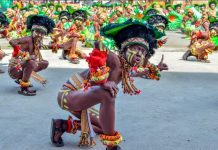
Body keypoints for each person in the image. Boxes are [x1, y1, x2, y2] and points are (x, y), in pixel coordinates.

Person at [51, 19, 167, 150]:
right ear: (124, 49)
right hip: (68, 96)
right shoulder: (114, 59)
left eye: (143, 51)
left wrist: (155, 68)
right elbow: (97, 44)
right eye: (136, 48)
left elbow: (136, 72)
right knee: (108, 94)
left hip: (82, 100)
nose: (140, 54)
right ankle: (111, 147)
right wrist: (103, 81)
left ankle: (62, 125)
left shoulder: (126, 68)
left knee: (103, 127)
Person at [8, 15, 56, 96]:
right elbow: (12, 41)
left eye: (42, 33)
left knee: (44, 63)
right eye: (37, 32)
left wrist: (59, 46)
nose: (39, 35)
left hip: (21, 67)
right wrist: (24, 55)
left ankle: (21, 78)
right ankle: (24, 88)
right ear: (32, 31)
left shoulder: (37, 42)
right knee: (31, 62)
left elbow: (45, 46)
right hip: (15, 69)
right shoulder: (28, 39)